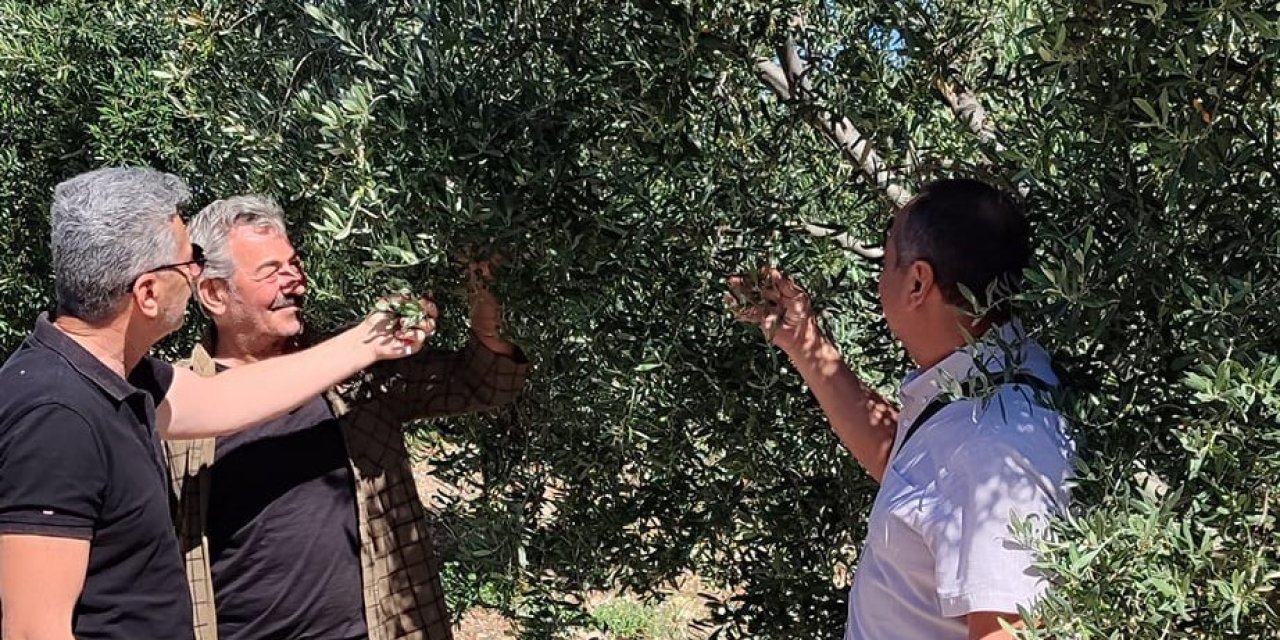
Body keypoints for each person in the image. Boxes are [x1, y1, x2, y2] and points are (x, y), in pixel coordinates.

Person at [0, 167, 430, 640]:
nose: (196, 274)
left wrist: (371, 341)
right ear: (147, 293)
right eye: (190, 261)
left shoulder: (119, 375)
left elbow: (223, 398)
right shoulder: (56, 416)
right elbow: (31, 630)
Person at [166, 195, 529, 640]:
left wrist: (487, 309)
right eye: (270, 271)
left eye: (294, 264)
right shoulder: (178, 405)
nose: (294, 282)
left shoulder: (357, 374)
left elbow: (484, 382)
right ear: (214, 293)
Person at [731, 178, 1076, 640]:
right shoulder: (981, 381)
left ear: (917, 283)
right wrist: (803, 339)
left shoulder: (998, 448)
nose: (880, 280)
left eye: (887, 258)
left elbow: (1007, 632)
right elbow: (914, 470)